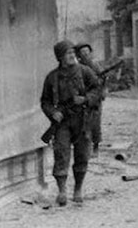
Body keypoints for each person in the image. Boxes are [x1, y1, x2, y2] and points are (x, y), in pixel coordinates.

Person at [40, 40, 99, 206]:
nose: (73, 56)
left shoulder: (85, 72)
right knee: (61, 154)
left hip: (83, 119)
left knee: (82, 155)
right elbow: (45, 101)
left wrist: (85, 99)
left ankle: (78, 189)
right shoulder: (52, 78)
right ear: (60, 57)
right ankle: (62, 190)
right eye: (68, 53)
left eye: (73, 52)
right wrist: (53, 113)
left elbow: (97, 90)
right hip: (63, 122)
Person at [74, 43, 106, 157]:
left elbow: (103, 80)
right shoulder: (76, 67)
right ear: (79, 55)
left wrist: (101, 91)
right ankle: (84, 148)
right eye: (83, 53)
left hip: (94, 99)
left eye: (87, 52)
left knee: (95, 124)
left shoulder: (95, 65)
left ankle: (96, 147)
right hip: (82, 99)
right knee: (82, 124)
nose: (86, 55)